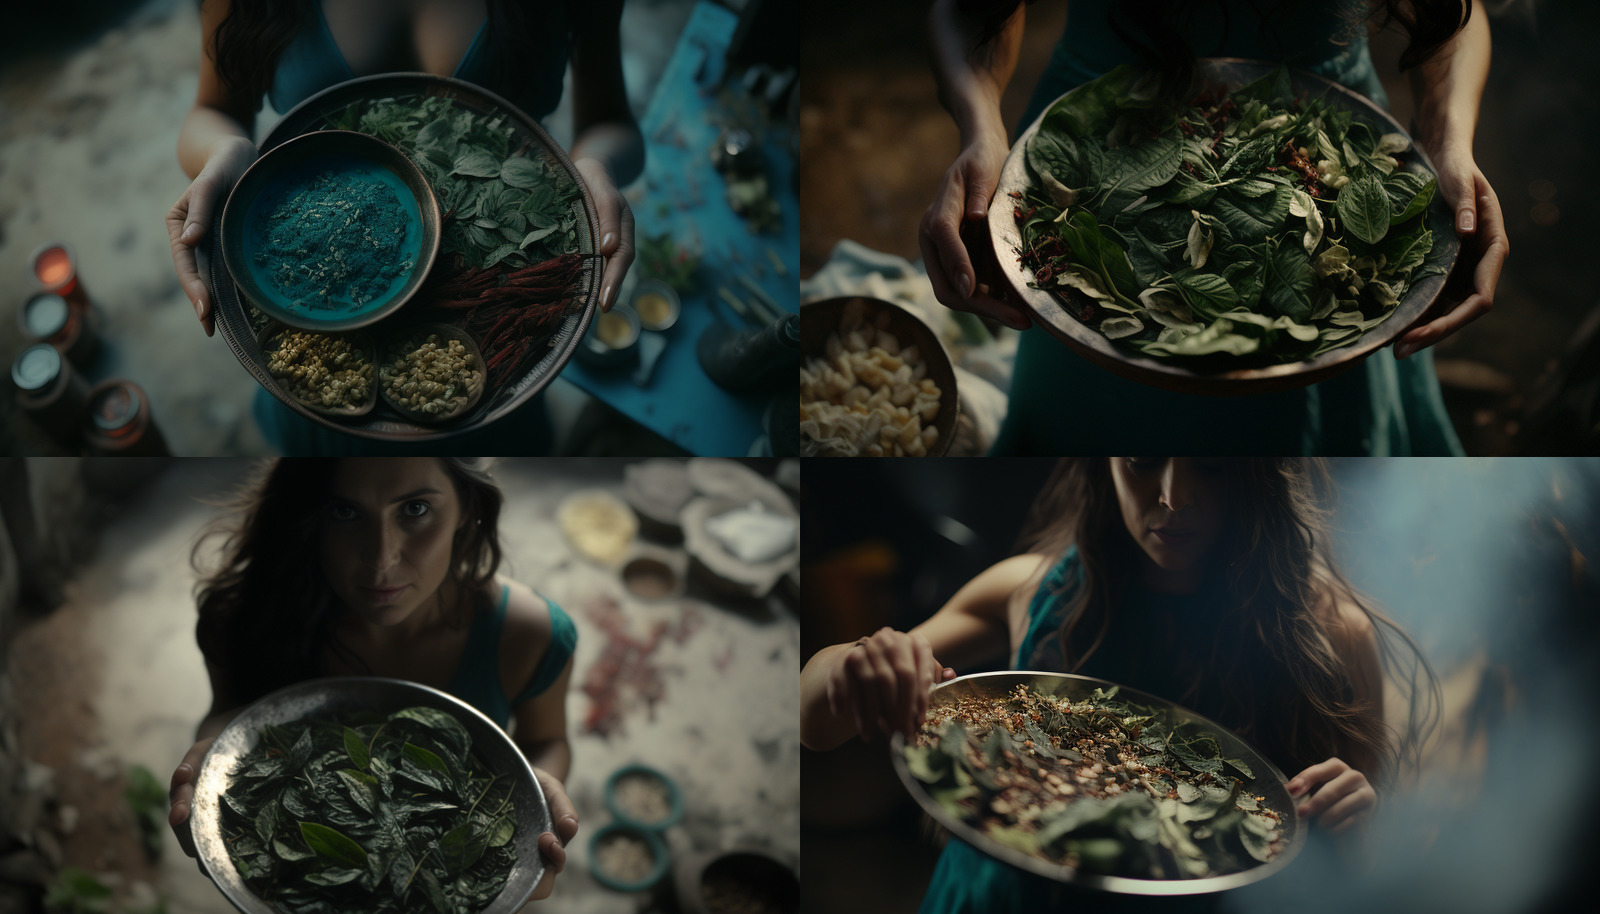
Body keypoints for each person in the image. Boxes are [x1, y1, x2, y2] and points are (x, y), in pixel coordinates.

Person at [800, 457, 1440, 911]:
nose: (1172, 496)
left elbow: (1362, 869)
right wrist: (857, 663)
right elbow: (813, 725)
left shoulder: (1332, 635)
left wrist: (1354, 819)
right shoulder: (1029, 590)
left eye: (1212, 464)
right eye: (1139, 458)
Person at [918, 0, 1509, 454]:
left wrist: (1447, 138)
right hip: (1099, 144)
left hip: (1321, 123)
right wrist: (981, 127)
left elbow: (1453, 10)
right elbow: (974, 7)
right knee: (1102, 396)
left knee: (1310, 402)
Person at [163, 0, 643, 453]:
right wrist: (222, 151)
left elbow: (611, 122)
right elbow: (214, 109)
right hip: (318, 337)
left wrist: (593, 168)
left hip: (488, 333)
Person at [165, 457, 579, 902]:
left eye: (416, 509)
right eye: (344, 512)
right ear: (308, 514)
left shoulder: (529, 636)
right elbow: (227, 721)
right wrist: (208, 765)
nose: (382, 559)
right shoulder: (242, 619)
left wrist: (533, 805)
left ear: (465, 506)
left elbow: (547, 739)